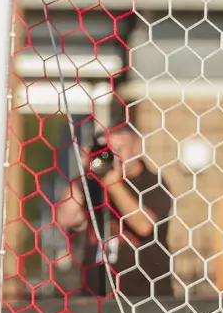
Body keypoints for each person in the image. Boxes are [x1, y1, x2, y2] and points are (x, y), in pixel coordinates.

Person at [52, 123, 175, 298]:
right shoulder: (91, 184)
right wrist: (86, 172)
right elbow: (65, 218)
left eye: (118, 148)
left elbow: (144, 226)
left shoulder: (152, 182)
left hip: (145, 299)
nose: (112, 155)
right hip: (96, 299)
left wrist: (113, 185)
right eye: (107, 149)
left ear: (137, 148)